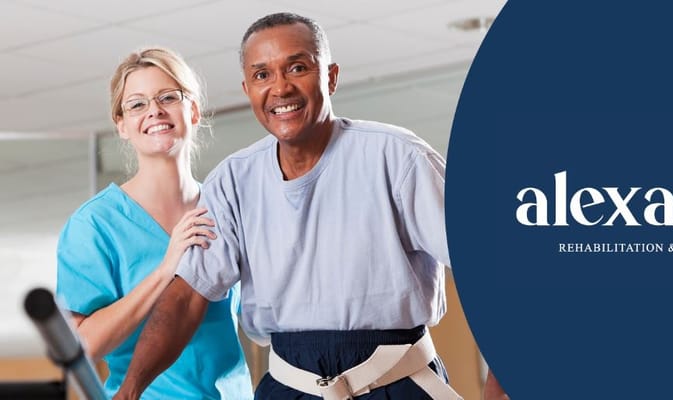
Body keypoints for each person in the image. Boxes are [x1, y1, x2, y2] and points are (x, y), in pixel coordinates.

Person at [114, 13, 464, 400]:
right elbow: (187, 296)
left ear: (329, 77)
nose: (280, 88)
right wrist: (130, 390)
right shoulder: (233, 181)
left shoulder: (397, 157)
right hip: (290, 385)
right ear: (248, 89)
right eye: (262, 75)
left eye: (297, 68)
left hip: (398, 382)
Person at [55, 47, 252, 399]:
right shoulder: (96, 225)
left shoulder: (225, 208)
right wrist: (165, 271)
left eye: (168, 97)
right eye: (137, 104)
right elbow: (82, 346)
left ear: (192, 110)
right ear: (122, 126)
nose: (155, 111)